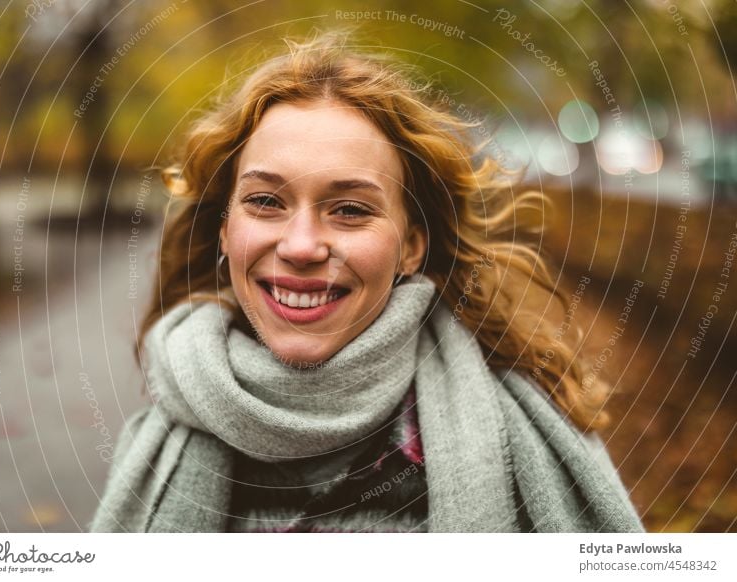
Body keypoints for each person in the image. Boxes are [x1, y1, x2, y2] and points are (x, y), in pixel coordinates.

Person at [89, 29, 644, 533]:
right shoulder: (172, 416)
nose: (302, 245)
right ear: (224, 230)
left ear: (411, 246)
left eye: (350, 209)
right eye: (264, 201)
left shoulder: (531, 436)